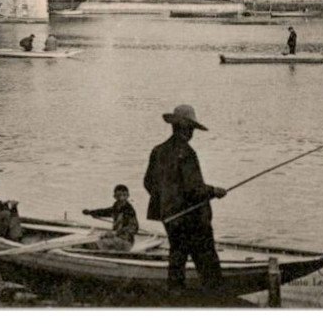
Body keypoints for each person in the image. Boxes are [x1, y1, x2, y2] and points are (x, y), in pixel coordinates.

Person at [143, 104, 227, 294]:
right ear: (186, 129)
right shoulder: (188, 154)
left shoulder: (158, 151)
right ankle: (217, 303)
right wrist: (215, 191)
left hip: (171, 220)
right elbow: (194, 191)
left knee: (177, 261)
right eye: (191, 129)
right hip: (194, 221)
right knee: (208, 268)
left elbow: (148, 183)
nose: (192, 133)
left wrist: (167, 201)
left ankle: (175, 298)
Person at [83, 184, 139, 251]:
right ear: (115, 197)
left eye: (124, 195)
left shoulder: (129, 211)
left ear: (127, 196)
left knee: (96, 244)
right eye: (119, 196)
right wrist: (91, 212)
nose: (122, 198)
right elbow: (104, 212)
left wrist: (116, 233)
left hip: (125, 241)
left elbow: (134, 228)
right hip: (117, 239)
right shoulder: (116, 208)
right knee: (94, 240)